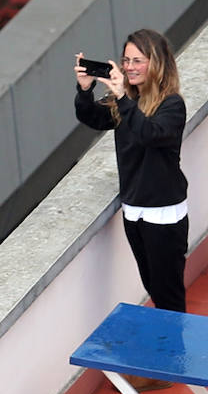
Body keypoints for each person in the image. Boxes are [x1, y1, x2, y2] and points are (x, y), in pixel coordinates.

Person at [75, 28, 188, 314]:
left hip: (163, 212)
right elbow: (91, 117)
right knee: (152, 286)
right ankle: (166, 349)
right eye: (126, 61)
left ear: (156, 63)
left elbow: (150, 134)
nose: (129, 67)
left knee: (168, 295)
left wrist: (123, 99)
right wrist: (85, 89)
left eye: (138, 61)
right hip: (134, 210)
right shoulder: (125, 103)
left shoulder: (171, 104)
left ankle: (174, 355)